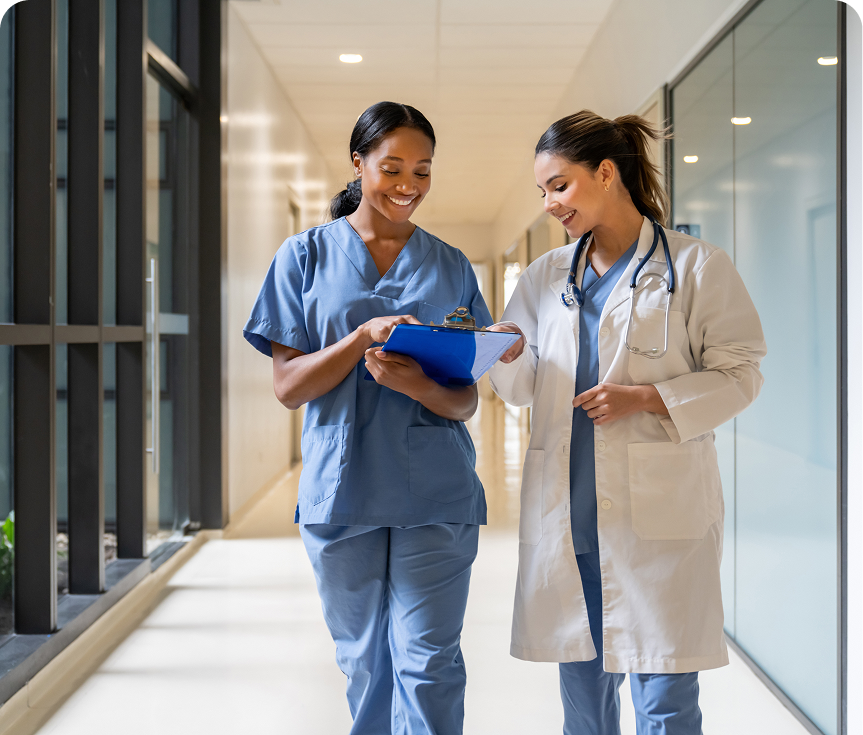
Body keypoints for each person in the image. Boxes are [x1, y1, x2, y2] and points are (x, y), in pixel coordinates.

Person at [488, 110, 767, 734]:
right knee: (584, 703)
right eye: (542, 192)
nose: (549, 204)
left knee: (665, 700)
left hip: (657, 521)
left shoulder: (697, 267)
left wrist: (647, 398)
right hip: (569, 517)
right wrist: (508, 352)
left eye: (559, 185)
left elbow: (742, 374)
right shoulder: (544, 276)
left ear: (606, 173)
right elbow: (525, 385)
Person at [243, 101, 492, 735]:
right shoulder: (302, 258)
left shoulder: (451, 264)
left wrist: (417, 384)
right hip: (342, 487)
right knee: (365, 665)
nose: (409, 184)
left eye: (423, 170)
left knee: (430, 662)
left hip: (436, 489)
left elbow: (464, 399)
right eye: (392, 167)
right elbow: (288, 386)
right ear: (358, 165)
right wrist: (359, 339)